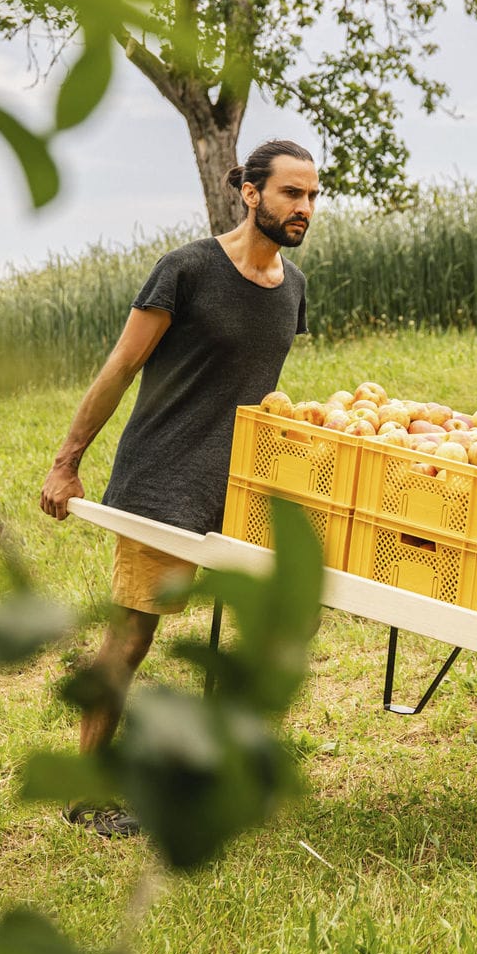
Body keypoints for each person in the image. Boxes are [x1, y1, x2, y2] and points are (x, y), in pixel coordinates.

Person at [40, 139, 319, 837]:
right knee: (133, 637)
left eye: (313, 195)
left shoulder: (295, 288)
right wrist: (67, 461)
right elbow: (120, 367)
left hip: (243, 489)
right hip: (162, 478)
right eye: (291, 193)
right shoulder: (188, 270)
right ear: (250, 192)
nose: (305, 208)